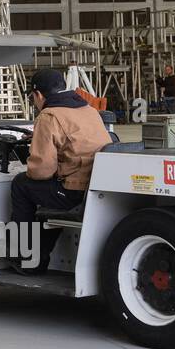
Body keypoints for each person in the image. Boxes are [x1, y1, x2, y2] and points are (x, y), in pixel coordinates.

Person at [9, 68, 112, 274]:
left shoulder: (49, 115)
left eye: (33, 98)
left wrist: (34, 152)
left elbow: (41, 171)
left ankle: (24, 256)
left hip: (74, 191)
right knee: (45, 195)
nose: (35, 103)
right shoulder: (89, 109)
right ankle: (38, 255)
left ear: (38, 94)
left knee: (21, 184)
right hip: (95, 185)